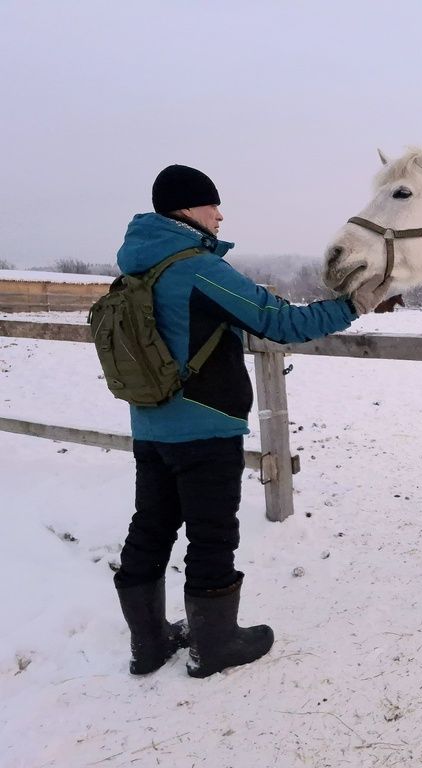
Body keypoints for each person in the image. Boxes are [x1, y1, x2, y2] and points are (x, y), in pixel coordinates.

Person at [113, 164, 387, 678]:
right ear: (186, 210)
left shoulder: (135, 267)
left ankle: (148, 646)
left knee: (150, 528)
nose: (219, 214)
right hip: (205, 427)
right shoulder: (195, 268)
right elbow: (279, 321)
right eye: (210, 204)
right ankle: (215, 646)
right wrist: (353, 304)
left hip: (151, 427)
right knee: (212, 535)